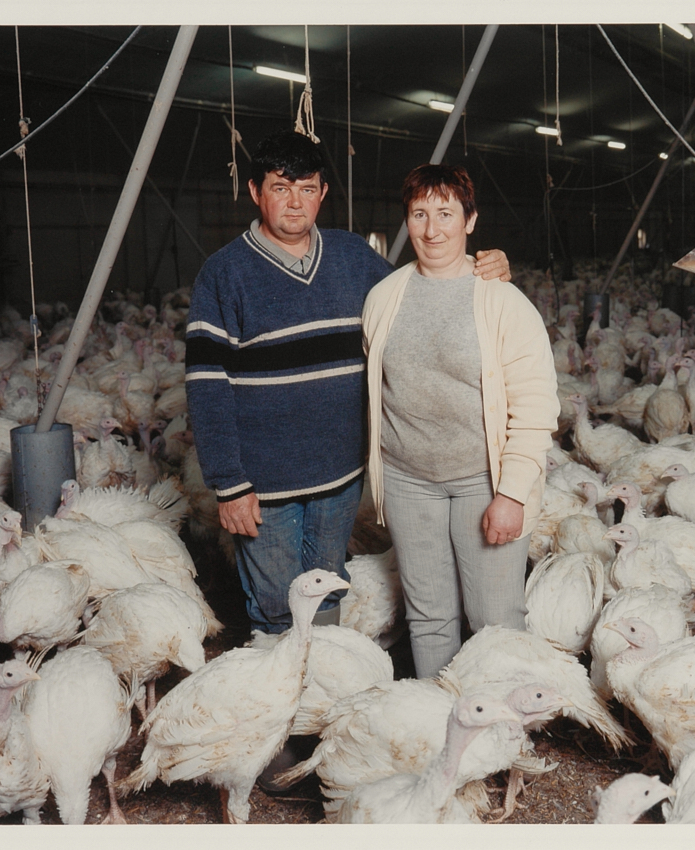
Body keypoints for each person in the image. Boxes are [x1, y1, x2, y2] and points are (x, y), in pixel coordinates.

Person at [185, 131, 510, 636]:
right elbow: (207, 384)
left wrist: (482, 266)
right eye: (280, 188)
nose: (295, 202)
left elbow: (419, 289)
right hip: (264, 485)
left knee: (328, 588)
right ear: (255, 192)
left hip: (340, 477)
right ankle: (282, 682)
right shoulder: (224, 274)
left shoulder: (352, 257)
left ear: (322, 193)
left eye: (307, 189)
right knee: (276, 603)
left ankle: (325, 678)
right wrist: (230, 485)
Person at [362, 163, 559, 679]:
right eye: (419, 214)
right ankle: (438, 719)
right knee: (428, 618)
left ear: (470, 221)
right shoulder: (383, 297)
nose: (432, 229)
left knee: (494, 620)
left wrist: (512, 493)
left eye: (446, 214)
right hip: (408, 482)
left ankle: (502, 722)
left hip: (482, 482)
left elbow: (535, 406)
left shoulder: (503, 301)